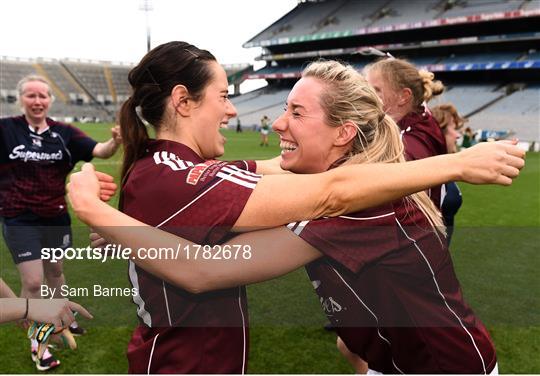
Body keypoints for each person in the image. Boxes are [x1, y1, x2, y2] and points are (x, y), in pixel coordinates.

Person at [68, 60, 524, 374]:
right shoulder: (317, 190)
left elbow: (202, 270)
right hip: (394, 361)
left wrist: (94, 210)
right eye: (284, 108)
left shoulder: (352, 204)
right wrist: (135, 231)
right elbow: (243, 196)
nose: (279, 123)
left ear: (344, 133)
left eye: (296, 112)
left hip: (444, 369)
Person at [0, 75, 121, 370]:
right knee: (32, 282)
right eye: (31, 95)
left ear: (51, 100)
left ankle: (63, 316)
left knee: (55, 272)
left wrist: (116, 140)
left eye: (43, 95)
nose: (38, 101)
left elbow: (100, 151)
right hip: (19, 218)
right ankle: (38, 343)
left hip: (55, 218)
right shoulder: (5, 129)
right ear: (21, 99)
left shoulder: (64, 133)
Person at [364, 58, 447, 208]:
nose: (365, 95)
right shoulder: (422, 120)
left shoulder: (407, 145)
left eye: (376, 90)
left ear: (403, 97)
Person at [432, 103, 468, 244]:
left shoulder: (445, 166)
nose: (457, 135)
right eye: (452, 128)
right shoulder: (427, 171)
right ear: (438, 132)